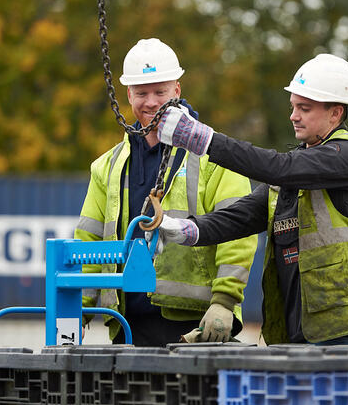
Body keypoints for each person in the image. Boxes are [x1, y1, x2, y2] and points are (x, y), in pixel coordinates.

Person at [153, 53, 348, 345]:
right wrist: (184, 229)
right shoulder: (300, 169)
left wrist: (202, 139)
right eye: (293, 107)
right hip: (298, 332)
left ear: (335, 113)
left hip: (344, 333)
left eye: (304, 108)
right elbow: (241, 217)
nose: (293, 116)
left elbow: (279, 167)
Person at [75, 38, 257, 346]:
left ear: (177, 91)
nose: (150, 102)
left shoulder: (216, 158)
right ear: (128, 94)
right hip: (127, 326)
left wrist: (225, 301)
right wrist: (77, 310)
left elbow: (238, 235)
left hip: (195, 327)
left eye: (160, 92)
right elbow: (89, 242)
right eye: (141, 93)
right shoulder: (107, 166)